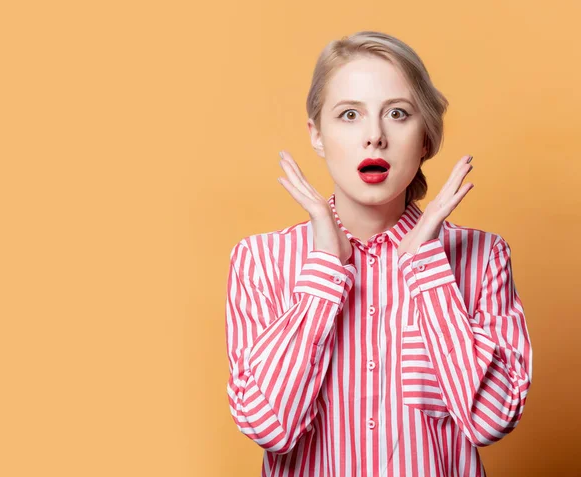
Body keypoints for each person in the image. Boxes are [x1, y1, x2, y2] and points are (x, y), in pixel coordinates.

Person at [225, 30, 532, 477]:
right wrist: (325, 275)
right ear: (316, 134)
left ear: (425, 137)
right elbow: (269, 427)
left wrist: (427, 269)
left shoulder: (483, 257)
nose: (374, 137)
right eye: (350, 114)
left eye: (398, 114)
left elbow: (491, 420)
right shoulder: (259, 260)